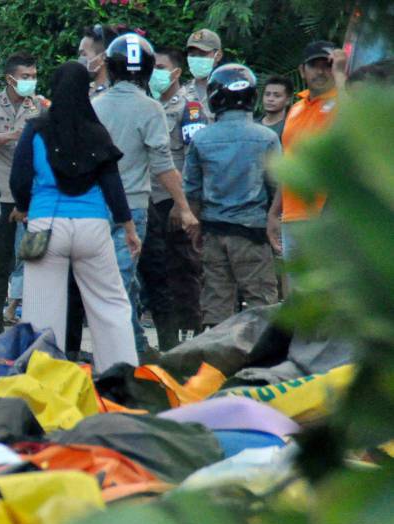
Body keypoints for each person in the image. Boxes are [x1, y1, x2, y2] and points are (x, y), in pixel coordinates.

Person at [10, 62, 140, 373]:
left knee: (43, 310)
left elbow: (19, 177)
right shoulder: (97, 132)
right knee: (110, 304)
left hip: (46, 227)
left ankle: (43, 378)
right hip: (92, 228)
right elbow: (113, 184)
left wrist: (24, 206)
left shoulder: (36, 129)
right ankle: (121, 374)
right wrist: (129, 227)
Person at [90, 33, 198, 357]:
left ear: (109, 67)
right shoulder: (150, 108)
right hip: (135, 208)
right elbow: (164, 165)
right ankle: (128, 351)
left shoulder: (95, 105)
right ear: (149, 70)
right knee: (123, 283)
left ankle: (130, 346)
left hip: (96, 205)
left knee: (119, 281)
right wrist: (183, 206)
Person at [183, 64, 281, 327]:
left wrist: (195, 228)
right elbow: (277, 187)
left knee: (216, 304)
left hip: (214, 233)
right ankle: (263, 361)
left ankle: (215, 362)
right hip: (253, 233)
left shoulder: (202, 139)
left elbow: (191, 191)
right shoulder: (267, 137)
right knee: (262, 302)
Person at [0, 52, 47, 338]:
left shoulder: (41, 106)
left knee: (36, 255)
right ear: (10, 78)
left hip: (32, 194)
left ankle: (34, 318)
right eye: (25, 77)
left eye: (33, 76)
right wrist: (15, 135)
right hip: (0, 192)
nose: (31, 81)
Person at [139, 46, 205, 351]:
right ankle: (166, 334)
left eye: (161, 67)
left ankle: (190, 334)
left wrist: (186, 203)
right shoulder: (146, 104)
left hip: (174, 199)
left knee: (183, 269)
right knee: (156, 269)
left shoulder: (189, 108)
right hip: (147, 197)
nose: (156, 73)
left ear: (176, 73)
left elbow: (194, 157)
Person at [267, 40, 343, 263]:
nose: (321, 71)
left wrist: (340, 76)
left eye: (327, 65)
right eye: (314, 65)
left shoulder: (343, 102)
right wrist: (274, 211)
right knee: (299, 293)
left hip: (327, 216)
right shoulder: (296, 109)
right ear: (302, 70)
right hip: (293, 215)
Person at [183, 28, 223, 123]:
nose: (197, 59)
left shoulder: (224, 92)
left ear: (218, 55)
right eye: (192, 55)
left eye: (202, 54)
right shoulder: (182, 92)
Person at [77, 24, 118, 98]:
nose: (79, 60)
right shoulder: (82, 90)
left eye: (84, 54)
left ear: (103, 56)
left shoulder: (113, 95)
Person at [255, 74, 293, 141]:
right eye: (267, 94)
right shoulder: (253, 124)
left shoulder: (291, 127)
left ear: (288, 100)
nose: (270, 99)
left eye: (277, 96)